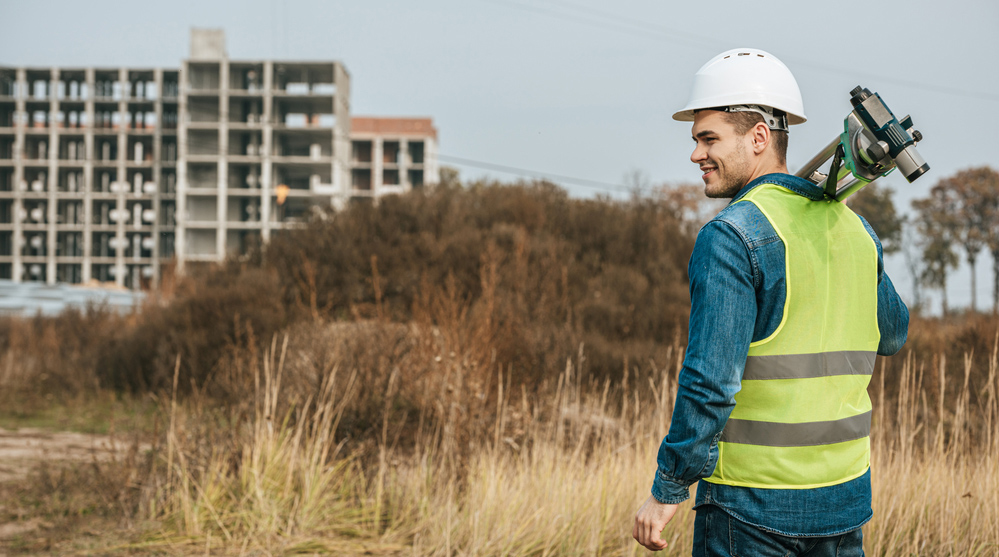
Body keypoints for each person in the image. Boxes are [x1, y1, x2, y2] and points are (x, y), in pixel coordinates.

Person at [632, 48, 909, 556]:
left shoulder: (732, 235)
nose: (696, 154)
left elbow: (710, 381)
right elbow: (892, 335)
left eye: (708, 138)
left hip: (750, 509)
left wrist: (668, 488)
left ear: (758, 137)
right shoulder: (855, 229)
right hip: (844, 501)